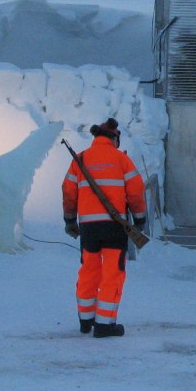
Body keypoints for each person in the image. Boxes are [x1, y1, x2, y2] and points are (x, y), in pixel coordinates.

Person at [62, 118, 147, 337]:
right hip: (114, 227)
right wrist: (139, 220)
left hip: (88, 227)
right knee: (112, 273)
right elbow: (136, 190)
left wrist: (70, 219)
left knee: (88, 270)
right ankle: (105, 324)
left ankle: (86, 320)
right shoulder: (121, 159)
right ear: (115, 138)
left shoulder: (80, 159)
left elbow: (68, 190)